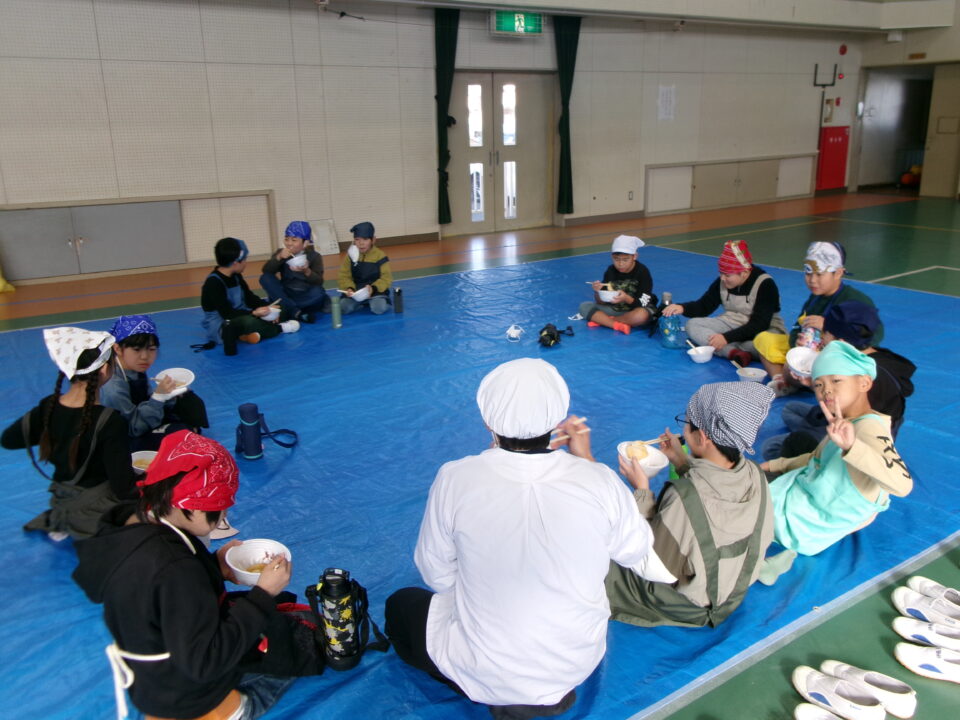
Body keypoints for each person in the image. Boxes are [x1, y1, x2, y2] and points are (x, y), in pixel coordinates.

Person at [385, 358, 672, 719]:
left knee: (401, 605)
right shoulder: (599, 479)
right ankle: (529, 691)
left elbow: (435, 572)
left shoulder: (455, 477)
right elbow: (634, 550)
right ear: (556, 420)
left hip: (486, 666)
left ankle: (492, 687)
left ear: (488, 421)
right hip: (574, 663)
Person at [72, 430, 302, 720]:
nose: (224, 516)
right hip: (187, 697)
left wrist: (213, 566)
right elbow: (205, 660)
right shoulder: (175, 568)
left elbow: (159, 594)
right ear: (191, 506)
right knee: (293, 651)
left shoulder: (133, 521)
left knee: (274, 622)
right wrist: (263, 594)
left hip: (152, 683)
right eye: (220, 509)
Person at [605, 382, 775, 627]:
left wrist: (642, 490)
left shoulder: (684, 498)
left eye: (686, 422)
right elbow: (714, 499)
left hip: (690, 605)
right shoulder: (754, 473)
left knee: (599, 551)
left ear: (703, 437)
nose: (682, 429)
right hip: (732, 593)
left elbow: (651, 562)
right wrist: (681, 461)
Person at [763, 341, 913, 556]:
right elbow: (816, 459)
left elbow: (903, 485)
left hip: (797, 522)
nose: (827, 390)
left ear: (864, 383)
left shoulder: (868, 428)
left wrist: (852, 446)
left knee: (725, 494)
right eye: (819, 385)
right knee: (749, 473)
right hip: (800, 499)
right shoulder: (846, 421)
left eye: (836, 380)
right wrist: (771, 466)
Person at [1, 327, 135, 541]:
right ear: (103, 370)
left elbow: (9, 439)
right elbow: (122, 486)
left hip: (62, 500)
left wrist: (54, 432)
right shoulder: (110, 421)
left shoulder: (49, 407)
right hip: (96, 506)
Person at [761, 301, 915, 460]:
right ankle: (809, 436)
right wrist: (811, 382)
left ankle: (814, 449)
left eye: (824, 333)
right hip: (856, 417)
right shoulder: (873, 355)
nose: (821, 339)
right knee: (790, 409)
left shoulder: (860, 375)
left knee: (771, 447)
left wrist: (815, 382)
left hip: (854, 434)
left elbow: (840, 409)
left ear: (840, 342)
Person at [754, 241, 883, 396]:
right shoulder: (815, 299)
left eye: (819, 274)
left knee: (803, 367)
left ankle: (814, 384)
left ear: (838, 273)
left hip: (836, 357)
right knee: (764, 339)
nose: (812, 280)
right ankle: (781, 379)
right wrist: (797, 344)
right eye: (808, 273)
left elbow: (874, 339)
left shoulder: (856, 301)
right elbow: (797, 327)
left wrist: (831, 329)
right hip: (811, 351)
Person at [662, 239, 784, 367]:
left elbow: (760, 323)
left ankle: (731, 347)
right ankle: (733, 352)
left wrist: (726, 338)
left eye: (727, 275)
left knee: (764, 344)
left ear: (744, 273)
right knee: (692, 325)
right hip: (732, 323)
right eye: (721, 273)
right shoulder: (722, 282)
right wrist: (682, 307)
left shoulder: (765, 284)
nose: (722, 278)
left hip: (763, 330)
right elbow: (704, 306)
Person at [100, 314, 209, 451]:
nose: (145, 357)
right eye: (136, 349)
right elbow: (133, 428)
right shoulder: (113, 387)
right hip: (127, 434)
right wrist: (158, 398)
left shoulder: (133, 367)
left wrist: (169, 394)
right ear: (117, 349)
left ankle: (190, 431)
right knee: (180, 435)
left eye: (151, 349)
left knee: (188, 400)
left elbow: (145, 398)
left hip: (141, 416)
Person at [201, 237, 300, 347]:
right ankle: (279, 328)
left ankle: (251, 334)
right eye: (244, 259)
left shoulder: (236, 275)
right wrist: (254, 313)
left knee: (281, 308)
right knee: (250, 322)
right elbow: (227, 314)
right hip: (224, 322)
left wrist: (268, 308)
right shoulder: (213, 283)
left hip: (243, 313)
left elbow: (250, 298)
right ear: (235, 263)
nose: (246, 263)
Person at [579, 234, 657, 335]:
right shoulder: (610, 271)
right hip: (615, 309)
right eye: (616, 259)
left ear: (634, 256)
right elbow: (602, 302)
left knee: (641, 315)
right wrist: (598, 291)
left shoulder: (642, 272)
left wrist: (626, 298)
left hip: (634, 310)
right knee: (584, 306)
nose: (620, 264)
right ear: (612, 257)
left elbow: (643, 303)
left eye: (625, 260)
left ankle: (605, 321)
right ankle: (617, 325)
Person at [259, 220, 331, 324]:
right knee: (265, 278)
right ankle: (296, 311)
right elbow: (267, 271)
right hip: (287, 292)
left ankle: (287, 307)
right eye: (286, 239)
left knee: (318, 292)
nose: (289, 243)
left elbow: (318, 282)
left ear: (305, 243)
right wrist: (278, 257)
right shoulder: (281, 253)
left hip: (305, 293)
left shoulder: (314, 256)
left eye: (294, 240)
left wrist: (307, 271)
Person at [338, 221, 392, 315]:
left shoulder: (380, 255)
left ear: (373, 240)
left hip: (375, 292)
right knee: (343, 308)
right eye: (357, 239)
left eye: (365, 239)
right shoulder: (350, 255)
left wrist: (373, 288)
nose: (361, 243)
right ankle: (361, 303)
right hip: (356, 292)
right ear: (354, 241)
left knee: (379, 308)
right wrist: (349, 288)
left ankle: (372, 301)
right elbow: (344, 275)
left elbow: (386, 278)